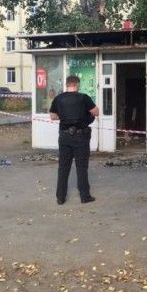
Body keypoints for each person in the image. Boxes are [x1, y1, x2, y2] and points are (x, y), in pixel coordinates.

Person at [49, 75, 99, 205]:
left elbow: (52, 116)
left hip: (65, 137)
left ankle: (60, 197)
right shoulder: (84, 97)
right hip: (80, 137)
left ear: (67, 84)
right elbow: (96, 112)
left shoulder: (58, 98)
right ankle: (84, 196)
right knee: (81, 167)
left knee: (63, 167)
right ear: (77, 84)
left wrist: (63, 116)